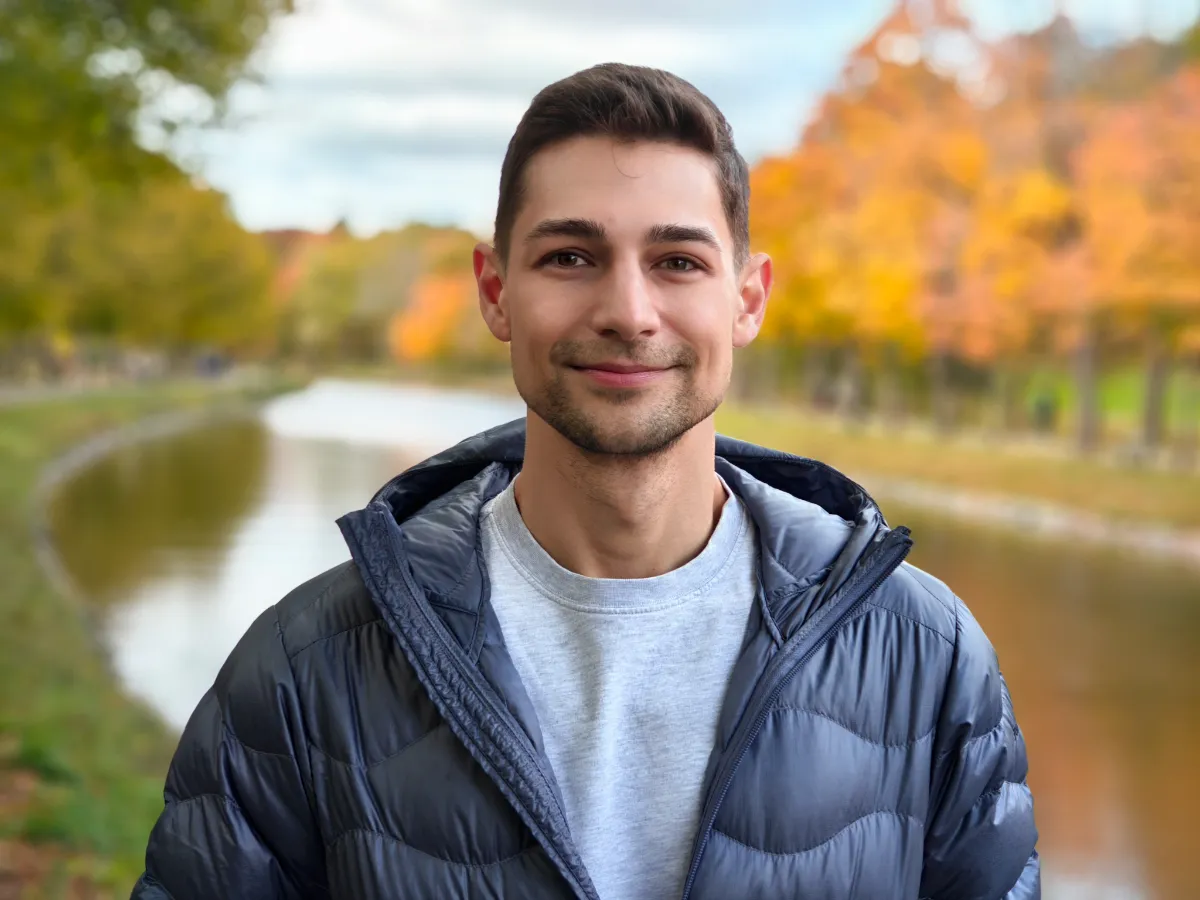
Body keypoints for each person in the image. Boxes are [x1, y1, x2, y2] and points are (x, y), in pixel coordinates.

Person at [132, 63, 1038, 899]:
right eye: (571, 257)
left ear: (748, 298)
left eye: (678, 261)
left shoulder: (926, 654)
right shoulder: (302, 667)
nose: (627, 312)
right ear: (495, 292)